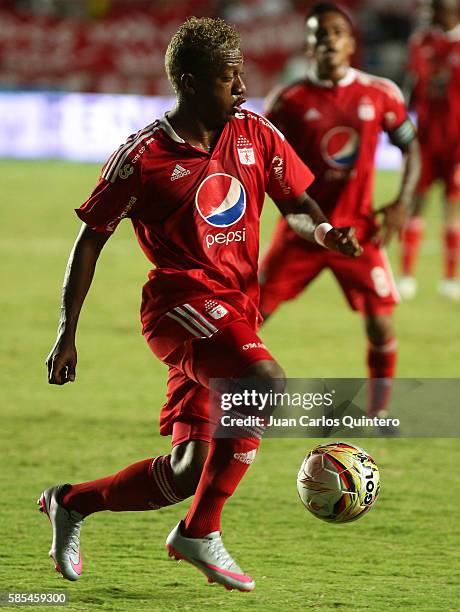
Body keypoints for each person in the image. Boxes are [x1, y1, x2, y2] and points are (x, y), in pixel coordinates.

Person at [40, 17, 361, 593]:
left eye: (240, 76)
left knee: (188, 470)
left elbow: (298, 203)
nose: (240, 89)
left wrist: (325, 234)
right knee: (263, 380)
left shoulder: (254, 132)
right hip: (179, 304)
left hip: (235, 311)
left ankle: (70, 502)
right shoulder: (141, 157)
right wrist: (68, 332)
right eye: (227, 78)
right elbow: (90, 239)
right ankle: (198, 532)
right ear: (189, 82)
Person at [258, 3, 420, 419]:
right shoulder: (288, 101)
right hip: (301, 231)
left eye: (336, 32)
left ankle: (379, 412)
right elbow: (261, 162)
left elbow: (410, 146)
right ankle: (212, 397)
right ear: (309, 46)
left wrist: (403, 201)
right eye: (319, 33)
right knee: (248, 314)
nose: (328, 38)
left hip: (357, 233)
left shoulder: (380, 93)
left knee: (381, 322)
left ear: (351, 43)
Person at [398, 0, 460, 300]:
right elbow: (413, 83)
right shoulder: (422, 40)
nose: (432, 14)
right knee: (417, 201)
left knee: (452, 206)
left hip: (457, 142)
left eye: (437, 9)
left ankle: (450, 279)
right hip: (425, 138)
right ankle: (407, 275)